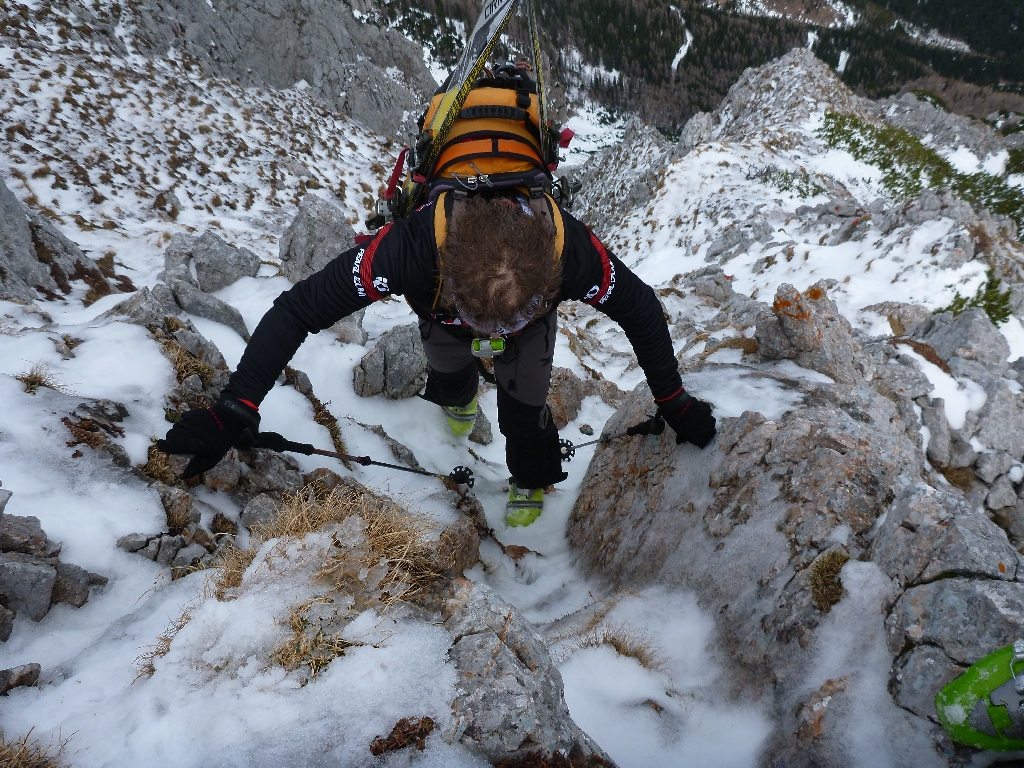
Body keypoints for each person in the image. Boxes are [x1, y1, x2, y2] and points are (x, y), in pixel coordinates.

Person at [157, 189, 717, 526]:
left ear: (550, 282)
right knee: (451, 375)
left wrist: (673, 401)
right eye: (485, 321)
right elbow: (302, 307)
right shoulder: (411, 247)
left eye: (511, 320)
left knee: (524, 411)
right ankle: (456, 399)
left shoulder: (567, 248)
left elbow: (641, 308)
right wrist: (236, 406)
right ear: (449, 278)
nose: (494, 337)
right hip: (445, 314)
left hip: (487, 312)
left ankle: (531, 473)